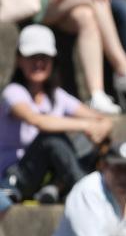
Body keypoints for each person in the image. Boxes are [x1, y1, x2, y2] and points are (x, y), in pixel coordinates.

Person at [0, 25, 112, 204]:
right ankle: (87, 192)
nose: (39, 63)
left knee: (88, 141)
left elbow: (100, 118)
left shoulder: (57, 95)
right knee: (51, 139)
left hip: (50, 170)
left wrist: (103, 126)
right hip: (19, 175)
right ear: (19, 60)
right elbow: (37, 121)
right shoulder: (13, 93)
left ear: (53, 61)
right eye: (32, 57)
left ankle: (57, 186)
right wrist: (87, 126)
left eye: (44, 57)